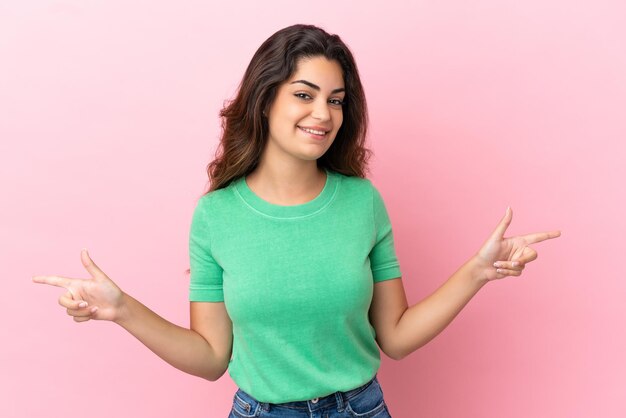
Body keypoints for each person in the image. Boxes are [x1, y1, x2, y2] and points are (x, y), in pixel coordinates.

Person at [32, 24, 561, 418]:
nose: (324, 114)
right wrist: (123, 310)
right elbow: (212, 356)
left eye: (336, 100)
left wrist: (477, 272)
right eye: (304, 95)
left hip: (360, 409)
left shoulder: (362, 203)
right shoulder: (216, 215)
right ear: (265, 100)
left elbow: (395, 337)